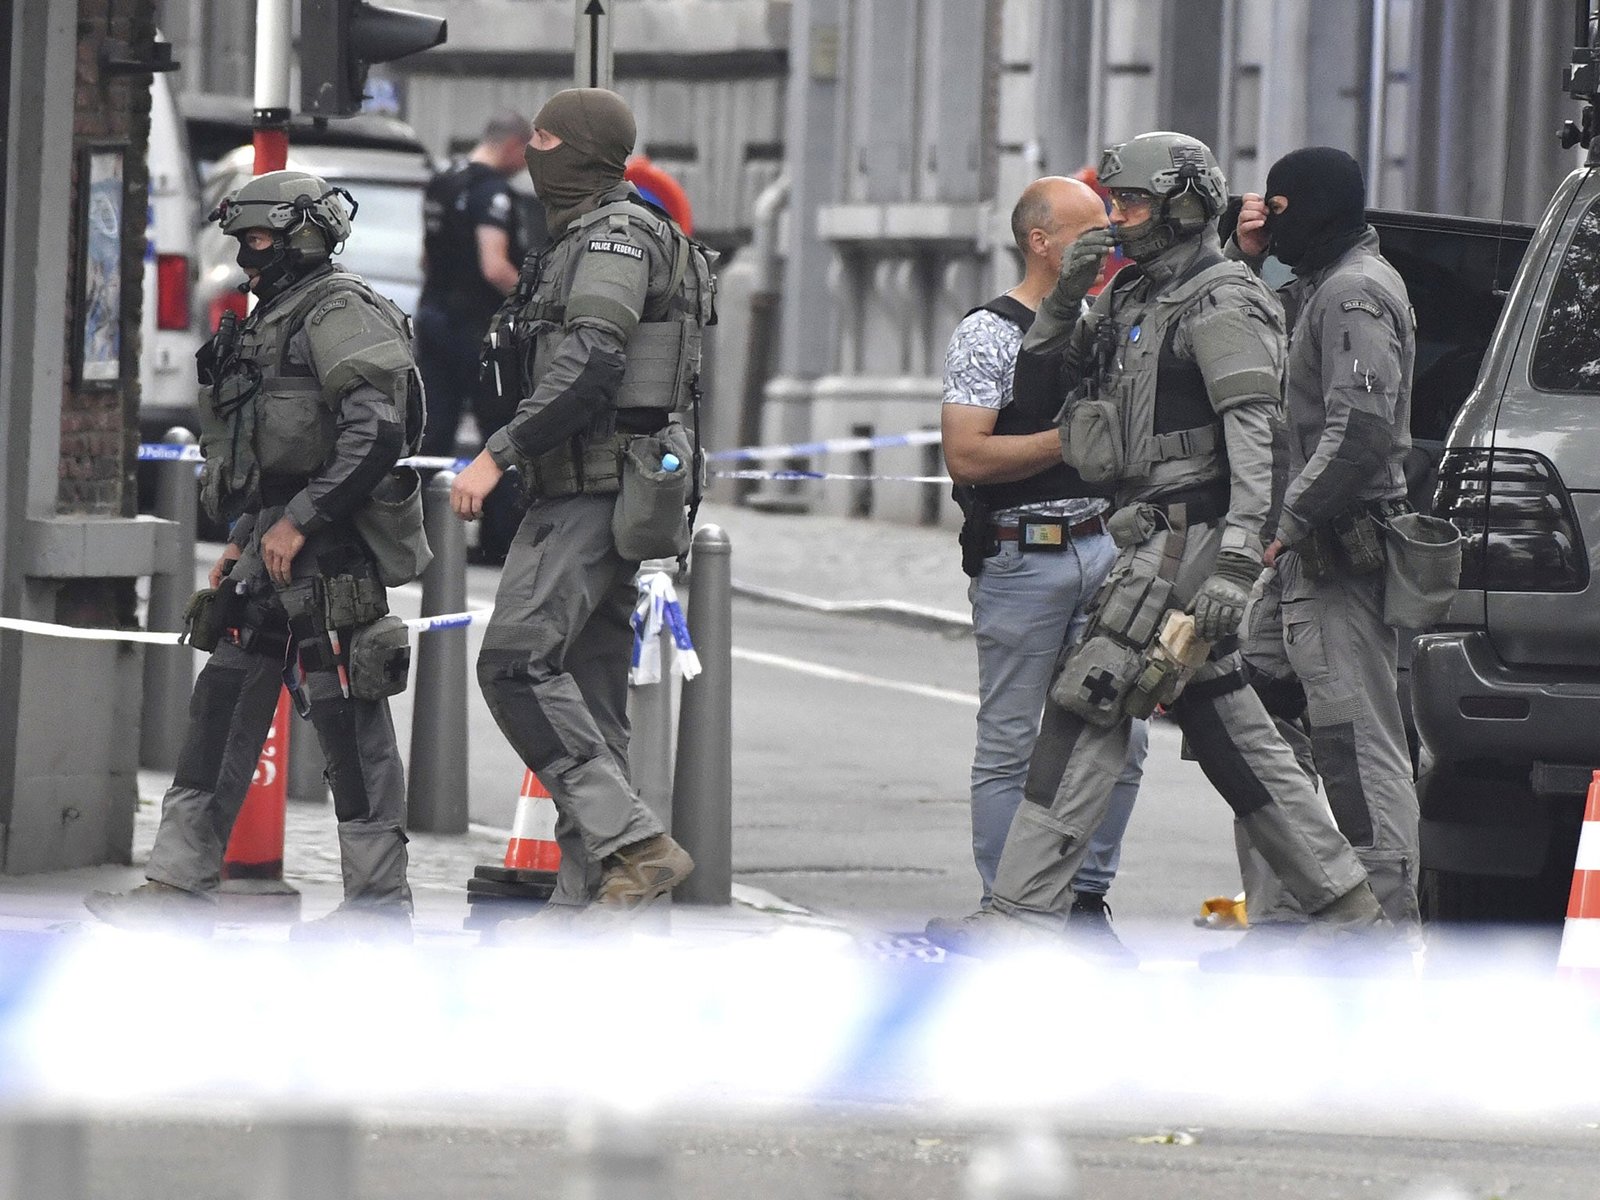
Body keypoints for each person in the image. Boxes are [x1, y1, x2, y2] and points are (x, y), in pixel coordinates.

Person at [924, 131, 1389, 958]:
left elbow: (1258, 439)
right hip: (1145, 533)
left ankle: (1018, 917)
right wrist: (1065, 301)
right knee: (1232, 735)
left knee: (1092, 696)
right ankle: (1354, 916)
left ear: (1183, 204)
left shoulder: (1223, 300)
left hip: (1188, 541)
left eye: (1134, 201)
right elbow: (1043, 388)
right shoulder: (1132, 295)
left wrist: (1239, 560)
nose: (1121, 217)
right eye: (1116, 202)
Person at [87, 170, 426, 941]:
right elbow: (264, 445)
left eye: (262, 238)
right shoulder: (273, 313)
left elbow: (377, 430)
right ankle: (179, 884)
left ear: (305, 235)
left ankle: (378, 908)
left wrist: (300, 522)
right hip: (270, 546)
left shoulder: (339, 310)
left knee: (348, 723)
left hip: (331, 548)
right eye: (242, 239)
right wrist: (245, 534)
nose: (248, 254)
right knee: (223, 703)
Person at [450, 88, 715, 919]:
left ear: (582, 153)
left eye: (545, 137)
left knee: (515, 663)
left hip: (594, 486)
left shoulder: (612, 238)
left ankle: (634, 845)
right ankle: (588, 906)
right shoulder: (583, 233)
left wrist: (497, 453)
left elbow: (593, 359)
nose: (531, 150)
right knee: (593, 706)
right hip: (594, 483)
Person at [1214, 146, 1421, 957]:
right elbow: (1256, 328)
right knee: (1251, 721)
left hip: (1334, 555)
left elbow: (1362, 428)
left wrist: (1285, 522)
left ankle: (1380, 937)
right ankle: (1288, 916)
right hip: (1301, 559)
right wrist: (1246, 260)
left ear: (1318, 207)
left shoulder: (1353, 292)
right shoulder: (1321, 285)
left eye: (1281, 208)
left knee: (1355, 746)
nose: (1272, 223)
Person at [941, 175, 1148, 964]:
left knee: (1121, 738)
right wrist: (1072, 440)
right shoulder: (989, 333)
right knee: (1011, 743)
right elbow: (967, 455)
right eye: (1089, 230)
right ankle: (1008, 911)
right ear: (1040, 240)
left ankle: (1084, 901)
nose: (1106, 242)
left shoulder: (1102, 322)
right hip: (1023, 558)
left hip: (1102, 548)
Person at [417, 110, 540, 564]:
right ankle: (498, 541)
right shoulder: (493, 193)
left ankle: (420, 540)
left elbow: (425, 260)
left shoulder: (442, 182)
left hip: (433, 319)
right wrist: (535, 302)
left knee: (432, 433)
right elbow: (494, 265)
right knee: (499, 430)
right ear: (512, 145)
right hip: (478, 330)